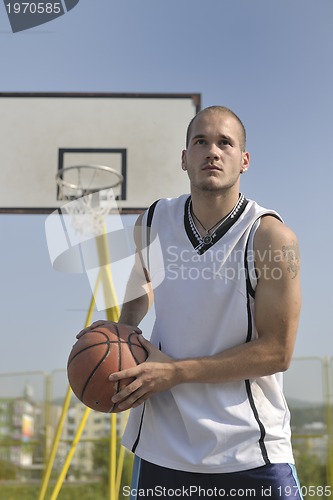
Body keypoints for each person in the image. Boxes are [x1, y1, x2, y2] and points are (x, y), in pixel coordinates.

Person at [81, 106, 302, 499]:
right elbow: (140, 289)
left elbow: (277, 352)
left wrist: (177, 371)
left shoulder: (271, 239)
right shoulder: (153, 220)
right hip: (163, 446)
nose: (212, 151)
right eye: (201, 141)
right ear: (184, 158)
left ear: (244, 160)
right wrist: (119, 333)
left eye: (225, 143)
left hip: (249, 448)